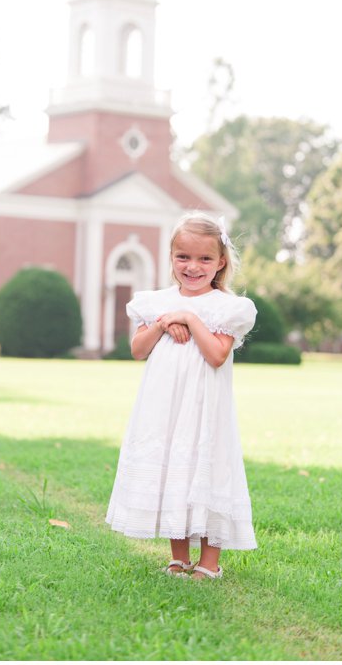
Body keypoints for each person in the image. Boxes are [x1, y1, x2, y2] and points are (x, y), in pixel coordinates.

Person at [106, 211, 258, 580]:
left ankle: (209, 562)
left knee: (205, 469)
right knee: (174, 468)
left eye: (204, 258)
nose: (193, 266)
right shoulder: (155, 302)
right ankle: (178, 557)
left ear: (221, 262)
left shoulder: (228, 307)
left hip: (205, 408)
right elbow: (138, 350)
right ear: (171, 257)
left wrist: (189, 319)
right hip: (164, 407)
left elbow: (217, 354)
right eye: (183, 257)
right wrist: (163, 322)